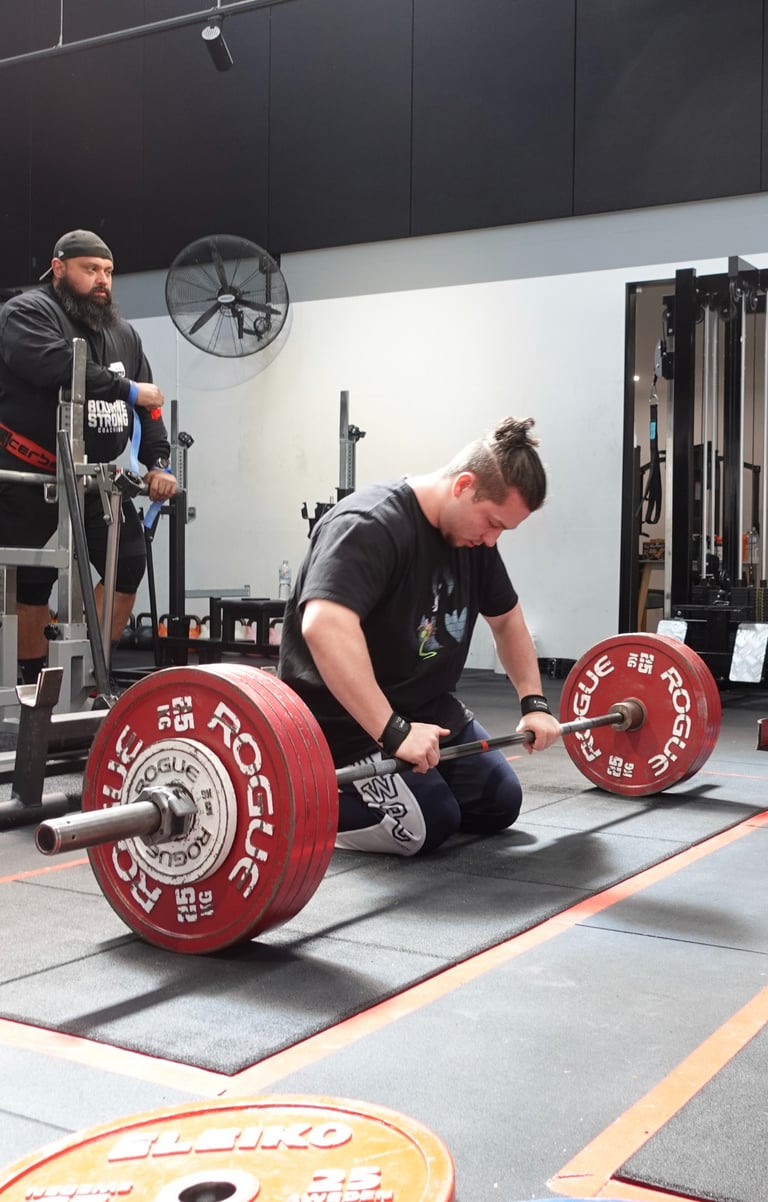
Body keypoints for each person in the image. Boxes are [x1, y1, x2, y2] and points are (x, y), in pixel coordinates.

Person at [278, 416, 562, 856]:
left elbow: (506, 620)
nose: (492, 540)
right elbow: (324, 625)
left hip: (429, 710)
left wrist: (535, 703)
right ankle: (297, 805)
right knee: (429, 825)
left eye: (502, 530)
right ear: (464, 485)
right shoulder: (371, 524)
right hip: (347, 726)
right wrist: (391, 731)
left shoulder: (474, 543)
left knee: (498, 802)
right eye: (492, 523)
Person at [0, 229, 178, 684]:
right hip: (31, 475)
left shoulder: (124, 334)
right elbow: (56, 365)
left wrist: (158, 461)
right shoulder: (27, 312)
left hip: (95, 481)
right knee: (32, 582)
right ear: (59, 269)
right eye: (90, 269)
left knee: (128, 565)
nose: (102, 280)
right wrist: (125, 388)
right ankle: (34, 680)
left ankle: (89, 675)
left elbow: (149, 406)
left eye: (108, 272)